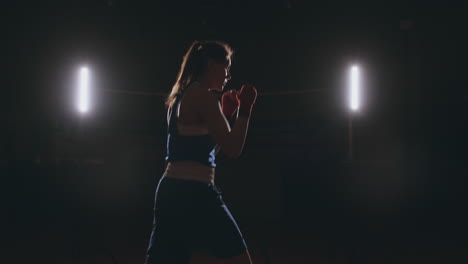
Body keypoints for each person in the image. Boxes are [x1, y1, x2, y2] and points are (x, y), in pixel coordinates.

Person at [145, 40, 257, 264]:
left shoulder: (183, 95)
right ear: (210, 64)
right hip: (195, 193)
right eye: (225, 66)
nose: (228, 75)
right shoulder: (203, 97)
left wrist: (224, 114)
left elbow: (208, 151)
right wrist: (245, 110)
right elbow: (234, 149)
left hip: (172, 192)